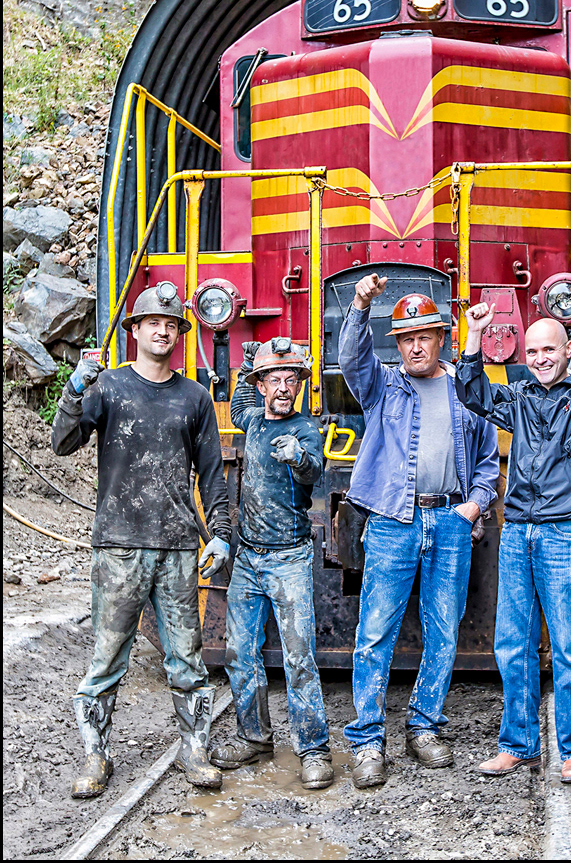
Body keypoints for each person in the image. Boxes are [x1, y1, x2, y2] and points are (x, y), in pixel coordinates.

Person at [52, 282, 232, 798]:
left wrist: (219, 533)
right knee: (108, 656)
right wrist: (74, 389)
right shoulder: (107, 388)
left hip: (178, 548)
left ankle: (195, 749)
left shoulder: (194, 397)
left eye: (171, 324)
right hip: (119, 547)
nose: (162, 329)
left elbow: (213, 474)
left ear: (179, 333)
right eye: (152, 322)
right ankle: (94, 754)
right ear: (135, 330)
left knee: (187, 658)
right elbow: (63, 444)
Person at [456, 264, 571, 784]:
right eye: (533, 353)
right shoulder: (520, 398)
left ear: (569, 348)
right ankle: (518, 743)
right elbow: (472, 392)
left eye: (550, 349)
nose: (541, 359)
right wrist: (477, 333)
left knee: (570, 644)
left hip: (567, 530)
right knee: (512, 641)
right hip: (519, 530)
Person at [338, 276, 499, 789]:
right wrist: (361, 306)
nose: (413, 345)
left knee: (444, 631)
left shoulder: (467, 390)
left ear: (441, 339)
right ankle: (367, 741)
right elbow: (350, 358)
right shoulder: (382, 384)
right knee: (375, 634)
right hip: (392, 522)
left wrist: (473, 507)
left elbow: (489, 461)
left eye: (423, 335)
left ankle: (424, 726)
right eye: (405, 337)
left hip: (450, 520)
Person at [209, 338, 333, 789]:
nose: (283, 387)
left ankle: (314, 749)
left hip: (289, 560)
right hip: (248, 559)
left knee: (299, 659)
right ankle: (255, 737)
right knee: (241, 654)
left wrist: (297, 457)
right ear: (262, 385)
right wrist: (246, 362)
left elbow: (313, 469)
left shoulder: (304, 429)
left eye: (290, 379)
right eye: (274, 379)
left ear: (299, 385)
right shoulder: (252, 420)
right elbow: (238, 397)